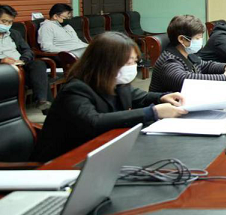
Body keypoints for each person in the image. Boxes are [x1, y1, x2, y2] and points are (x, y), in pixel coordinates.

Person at [33, 32, 187, 162]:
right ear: (106, 63)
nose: (133, 67)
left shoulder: (116, 83)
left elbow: (140, 97)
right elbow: (94, 122)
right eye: (128, 62)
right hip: (66, 161)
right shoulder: (76, 89)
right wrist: (152, 112)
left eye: (134, 61)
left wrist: (162, 97)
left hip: (102, 151)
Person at [0, 4, 51, 112]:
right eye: (4, 21)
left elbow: (28, 50)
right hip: (0, 71)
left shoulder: (14, 33)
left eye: (10, 22)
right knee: (40, 78)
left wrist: (23, 60)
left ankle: (42, 102)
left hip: (20, 67)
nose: (7, 25)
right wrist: (0, 61)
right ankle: (47, 109)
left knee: (39, 65)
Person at [149, 15, 226, 92]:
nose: (200, 41)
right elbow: (184, 80)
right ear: (181, 39)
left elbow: (203, 65)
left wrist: (225, 66)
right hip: (167, 106)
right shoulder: (169, 60)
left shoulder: (187, 53)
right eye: (197, 38)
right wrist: (224, 77)